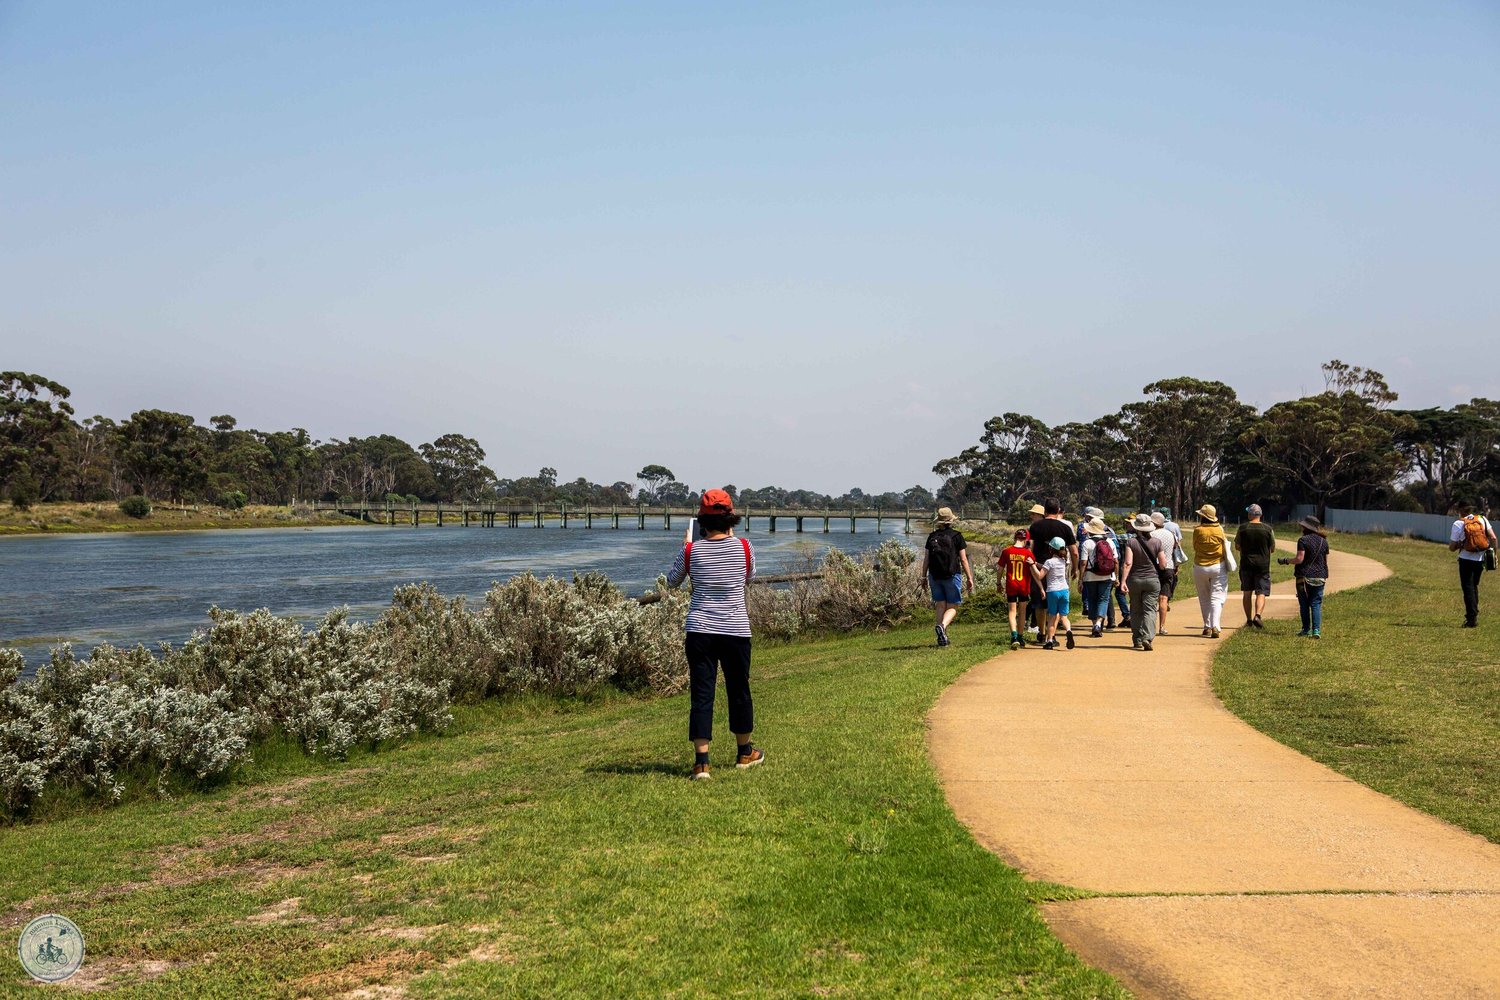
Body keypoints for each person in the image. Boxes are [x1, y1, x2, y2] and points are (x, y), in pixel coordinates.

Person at [665, 488, 761, 780]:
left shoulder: (691, 551)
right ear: (731, 519)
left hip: (700, 631)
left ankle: (702, 763)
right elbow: (749, 577)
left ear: (701, 521)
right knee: (739, 690)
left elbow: (671, 581)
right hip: (735, 630)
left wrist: (686, 546)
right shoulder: (744, 548)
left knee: (702, 693)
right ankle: (744, 753)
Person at [922, 507, 975, 646]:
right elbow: (963, 559)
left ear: (938, 521)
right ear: (951, 520)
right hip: (952, 575)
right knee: (953, 606)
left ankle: (942, 638)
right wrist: (970, 578)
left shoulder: (932, 536)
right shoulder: (957, 536)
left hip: (934, 576)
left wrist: (923, 577)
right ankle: (942, 626)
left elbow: (926, 559)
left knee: (940, 605)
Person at [1121, 513, 1169, 651]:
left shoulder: (1131, 542)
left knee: (1135, 610)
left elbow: (1128, 563)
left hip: (1135, 580)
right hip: (1152, 580)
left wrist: (1123, 581)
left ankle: (1137, 638)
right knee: (1150, 610)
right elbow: (1163, 564)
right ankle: (1147, 638)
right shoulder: (1157, 542)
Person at [1278, 514, 1330, 638]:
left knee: (1304, 603)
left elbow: (1299, 559)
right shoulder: (1324, 541)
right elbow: (1325, 561)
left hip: (1304, 577)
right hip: (1320, 576)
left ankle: (1306, 630)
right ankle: (1316, 631)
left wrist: (1286, 561)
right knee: (1316, 603)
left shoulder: (1303, 540)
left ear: (1306, 527)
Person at [1449, 501, 1498, 628]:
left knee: (1468, 588)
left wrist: (1461, 544)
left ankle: (1471, 618)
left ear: (1460, 510)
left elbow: (1452, 547)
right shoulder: (1482, 519)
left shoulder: (1458, 523)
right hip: (1480, 559)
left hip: (1465, 559)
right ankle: (1474, 612)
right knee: (1474, 585)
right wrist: (1494, 554)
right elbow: (1493, 538)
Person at [1235, 503, 1276, 629]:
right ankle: (1257, 615)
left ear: (1250, 514)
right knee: (1261, 592)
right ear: (1260, 515)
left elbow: (1237, 546)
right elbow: (1272, 548)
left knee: (1247, 592)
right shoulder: (1268, 529)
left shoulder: (1242, 528)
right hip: (1262, 566)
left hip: (1246, 564)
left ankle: (1248, 620)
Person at [1190, 504, 1229, 638]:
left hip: (1200, 566)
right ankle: (1215, 626)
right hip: (1218, 565)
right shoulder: (1219, 529)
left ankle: (1207, 626)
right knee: (1217, 597)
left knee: (1204, 597)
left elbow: (1195, 546)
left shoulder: (1198, 530)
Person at [1078, 516, 1118, 639]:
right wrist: (1116, 577)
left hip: (1090, 576)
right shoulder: (1110, 541)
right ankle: (1099, 624)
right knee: (1103, 600)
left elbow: (1083, 563)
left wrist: (1080, 579)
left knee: (1092, 599)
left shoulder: (1087, 543)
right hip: (1106, 575)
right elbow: (1116, 561)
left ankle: (1094, 624)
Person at [1032, 536, 1075, 649]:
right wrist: (1037, 563)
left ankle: (1050, 641)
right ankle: (1069, 631)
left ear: (1051, 549)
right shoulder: (1063, 561)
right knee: (1063, 616)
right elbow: (1047, 567)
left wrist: (1032, 565)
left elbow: (1040, 575)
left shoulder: (1049, 562)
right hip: (1064, 590)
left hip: (1053, 591)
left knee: (1052, 617)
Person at [998, 528, 1037, 649]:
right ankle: (1020, 636)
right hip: (1024, 585)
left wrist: (998, 583)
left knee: (1012, 611)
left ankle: (1014, 636)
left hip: (1011, 584)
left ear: (1015, 537)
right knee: (1022, 612)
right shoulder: (1028, 553)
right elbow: (1034, 569)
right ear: (1026, 540)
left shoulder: (1007, 551)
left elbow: (1000, 569)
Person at [1150, 511, 1180, 635]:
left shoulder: (1151, 534)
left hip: (1153, 567)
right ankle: (1162, 627)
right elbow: (1175, 551)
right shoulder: (1171, 534)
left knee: (1151, 598)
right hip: (1168, 567)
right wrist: (1176, 566)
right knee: (1163, 598)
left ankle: (1149, 626)